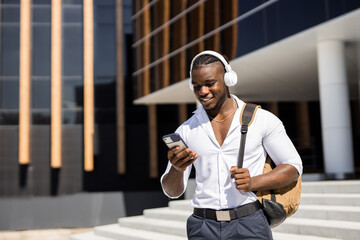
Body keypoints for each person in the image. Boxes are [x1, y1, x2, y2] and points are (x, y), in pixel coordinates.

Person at [160, 50, 303, 240]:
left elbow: (294, 166)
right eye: (196, 86)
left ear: (228, 79)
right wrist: (177, 169)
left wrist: (254, 182)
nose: (203, 92)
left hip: (249, 223)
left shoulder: (262, 120)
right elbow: (172, 191)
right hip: (202, 227)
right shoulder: (186, 130)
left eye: (210, 83)